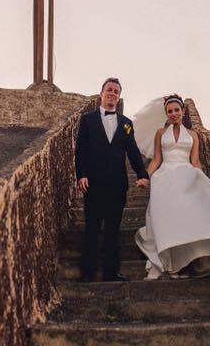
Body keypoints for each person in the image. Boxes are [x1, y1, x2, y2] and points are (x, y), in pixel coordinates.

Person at [134, 94, 210, 279]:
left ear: (183, 111)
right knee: (169, 214)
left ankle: (191, 258)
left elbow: (195, 160)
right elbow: (157, 159)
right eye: (170, 111)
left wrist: (202, 180)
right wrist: (145, 177)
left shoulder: (193, 135)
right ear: (166, 114)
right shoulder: (160, 133)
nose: (173, 114)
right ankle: (172, 260)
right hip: (165, 175)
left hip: (185, 172)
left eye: (176, 110)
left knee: (191, 213)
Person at [74, 77, 150, 282]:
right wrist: (81, 174)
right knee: (92, 227)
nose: (112, 94)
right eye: (109, 90)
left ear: (119, 97)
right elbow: (81, 150)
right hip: (94, 183)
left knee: (113, 230)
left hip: (117, 185)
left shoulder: (126, 124)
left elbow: (133, 152)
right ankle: (87, 273)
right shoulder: (87, 120)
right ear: (101, 93)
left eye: (116, 91)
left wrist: (142, 174)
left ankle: (110, 272)